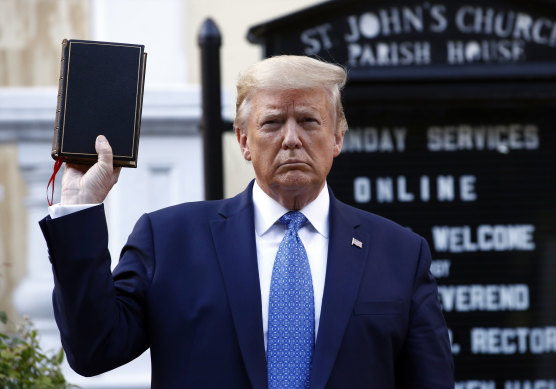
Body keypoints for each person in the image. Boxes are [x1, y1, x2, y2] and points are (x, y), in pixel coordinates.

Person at [40, 55, 454, 388]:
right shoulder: (169, 240)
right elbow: (93, 350)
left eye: (309, 121)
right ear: (243, 141)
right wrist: (80, 207)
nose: (291, 138)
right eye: (272, 122)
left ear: (338, 137)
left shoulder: (399, 253)